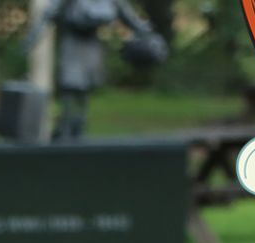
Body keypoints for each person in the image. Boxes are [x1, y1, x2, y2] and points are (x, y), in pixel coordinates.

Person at [23, 0, 163, 140]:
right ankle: (66, 130)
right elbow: (49, 14)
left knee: (82, 90)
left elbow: (129, 17)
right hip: (74, 45)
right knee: (71, 89)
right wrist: (32, 38)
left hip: (88, 46)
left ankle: (77, 130)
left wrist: (148, 34)